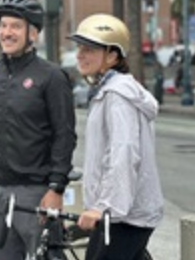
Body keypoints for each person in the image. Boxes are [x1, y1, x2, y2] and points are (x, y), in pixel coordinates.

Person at [0, 0, 76, 260]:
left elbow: (64, 136)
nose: (6, 32)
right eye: (3, 25)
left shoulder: (52, 77)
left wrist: (56, 188)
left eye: (15, 26)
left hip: (38, 192)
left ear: (32, 34)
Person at [69, 15, 162, 260]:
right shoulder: (108, 92)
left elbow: (124, 153)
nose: (80, 55)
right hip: (121, 214)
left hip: (123, 217)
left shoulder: (118, 96)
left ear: (112, 56)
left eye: (88, 49)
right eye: (79, 48)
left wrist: (103, 208)